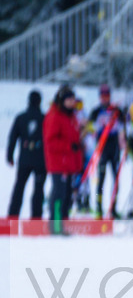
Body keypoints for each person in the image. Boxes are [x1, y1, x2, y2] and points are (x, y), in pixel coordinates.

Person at [43, 84, 84, 233]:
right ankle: (55, 225)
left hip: (69, 163)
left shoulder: (71, 116)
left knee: (67, 195)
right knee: (58, 194)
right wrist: (69, 146)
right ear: (62, 100)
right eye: (69, 100)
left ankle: (64, 224)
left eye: (73, 100)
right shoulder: (55, 116)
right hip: (58, 163)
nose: (72, 103)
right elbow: (50, 141)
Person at [6, 90, 47, 219]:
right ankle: (36, 218)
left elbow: (12, 138)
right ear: (40, 102)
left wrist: (10, 156)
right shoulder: (44, 118)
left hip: (24, 159)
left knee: (19, 188)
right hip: (41, 160)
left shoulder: (21, 117)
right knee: (38, 189)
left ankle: (12, 216)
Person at [86, 84, 126, 218]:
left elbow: (122, 128)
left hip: (114, 146)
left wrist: (123, 144)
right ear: (99, 97)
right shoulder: (96, 111)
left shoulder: (116, 110)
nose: (105, 99)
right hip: (102, 146)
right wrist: (96, 129)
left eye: (107, 96)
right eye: (103, 96)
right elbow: (89, 128)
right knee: (101, 180)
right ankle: (98, 207)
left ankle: (113, 208)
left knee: (116, 179)